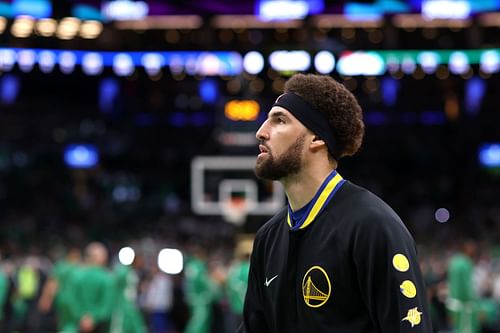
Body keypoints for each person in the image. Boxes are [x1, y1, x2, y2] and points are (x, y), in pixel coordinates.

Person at [239, 73, 432, 332]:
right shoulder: (267, 239)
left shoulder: (372, 226)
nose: (261, 132)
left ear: (317, 139)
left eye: (280, 120)